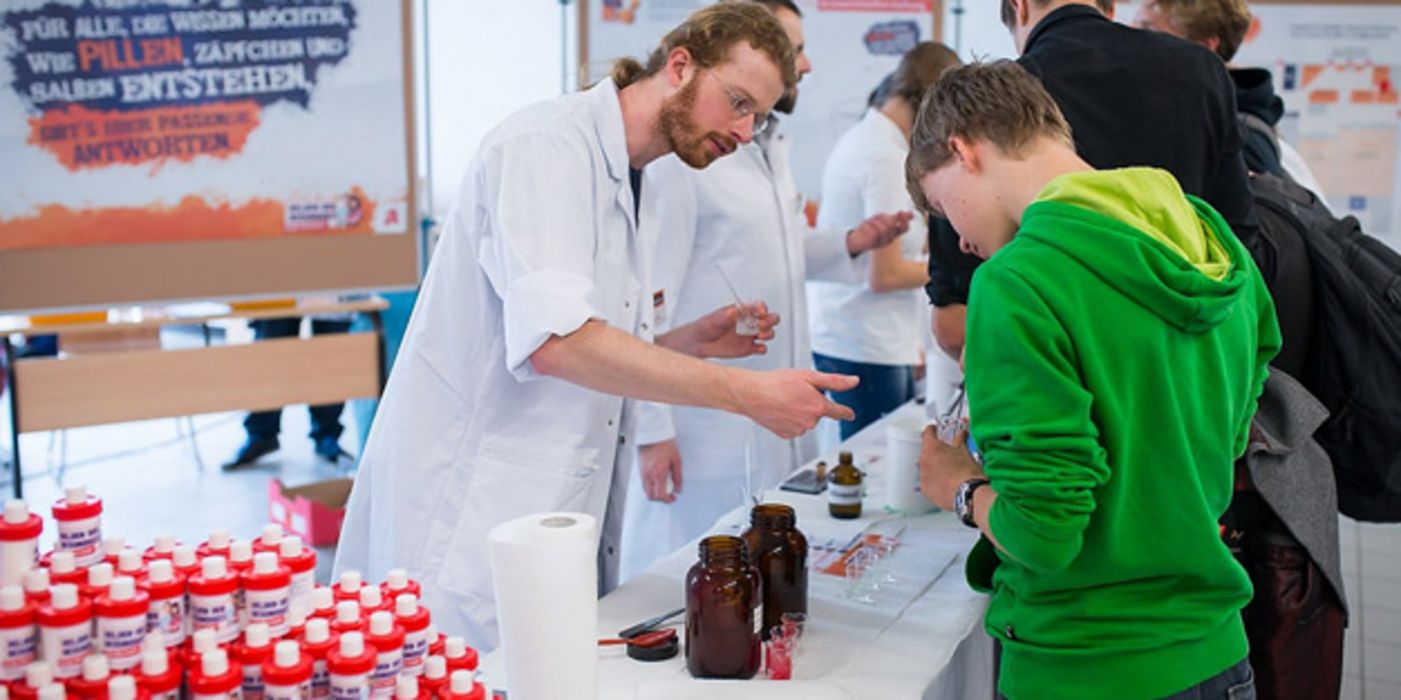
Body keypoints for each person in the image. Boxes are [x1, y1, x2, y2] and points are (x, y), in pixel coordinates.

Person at [333, 4, 860, 650]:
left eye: (759, 115)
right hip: (469, 515)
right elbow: (557, 344)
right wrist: (744, 393)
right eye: (738, 102)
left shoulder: (638, 173)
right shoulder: (545, 148)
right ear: (678, 65)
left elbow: (578, 337)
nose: (745, 132)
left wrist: (685, 341)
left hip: (551, 513)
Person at [909, 60, 1279, 700]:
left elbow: (1044, 535)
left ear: (963, 150)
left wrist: (960, 487)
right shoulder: (1210, 238)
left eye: (943, 209)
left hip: (1088, 664)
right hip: (1217, 652)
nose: (961, 242)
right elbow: (1232, 425)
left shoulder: (1017, 282)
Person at [617, 0, 912, 580]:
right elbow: (646, 306)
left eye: (796, 52)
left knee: (757, 552)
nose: (800, 65)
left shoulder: (764, 144)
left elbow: (780, 250)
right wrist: (653, 432)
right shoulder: (688, 155)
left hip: (765, 396)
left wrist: (852, 240)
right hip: (702, 423)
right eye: (789, 50)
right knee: (692, 563)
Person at [927, 0, 1259, 362]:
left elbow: (954, 322)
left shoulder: (999, 105)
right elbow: (1241, 246)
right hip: (1198, 365)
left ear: (1019, 8)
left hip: (1056, 369)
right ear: (1110, 7)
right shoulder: (1203, 72)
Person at [807, 42, 960, 438]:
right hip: (864, 345)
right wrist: (961, 270)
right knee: (871, 476)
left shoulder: (872, 139)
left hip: (862, 338)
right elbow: (886, 273)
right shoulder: (885, 157)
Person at [1132, 0, 1327, 197]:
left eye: (1148, 28)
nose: (1129, 36)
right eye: (1134, 24)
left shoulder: (1245, 140)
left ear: (1203, 48)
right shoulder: (1186, 117)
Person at [222, 316, 354, 469]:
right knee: (270, 352)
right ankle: (261, 436)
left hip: (329, 298)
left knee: (331, 355)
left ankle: (327, 436)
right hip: (276, 296)